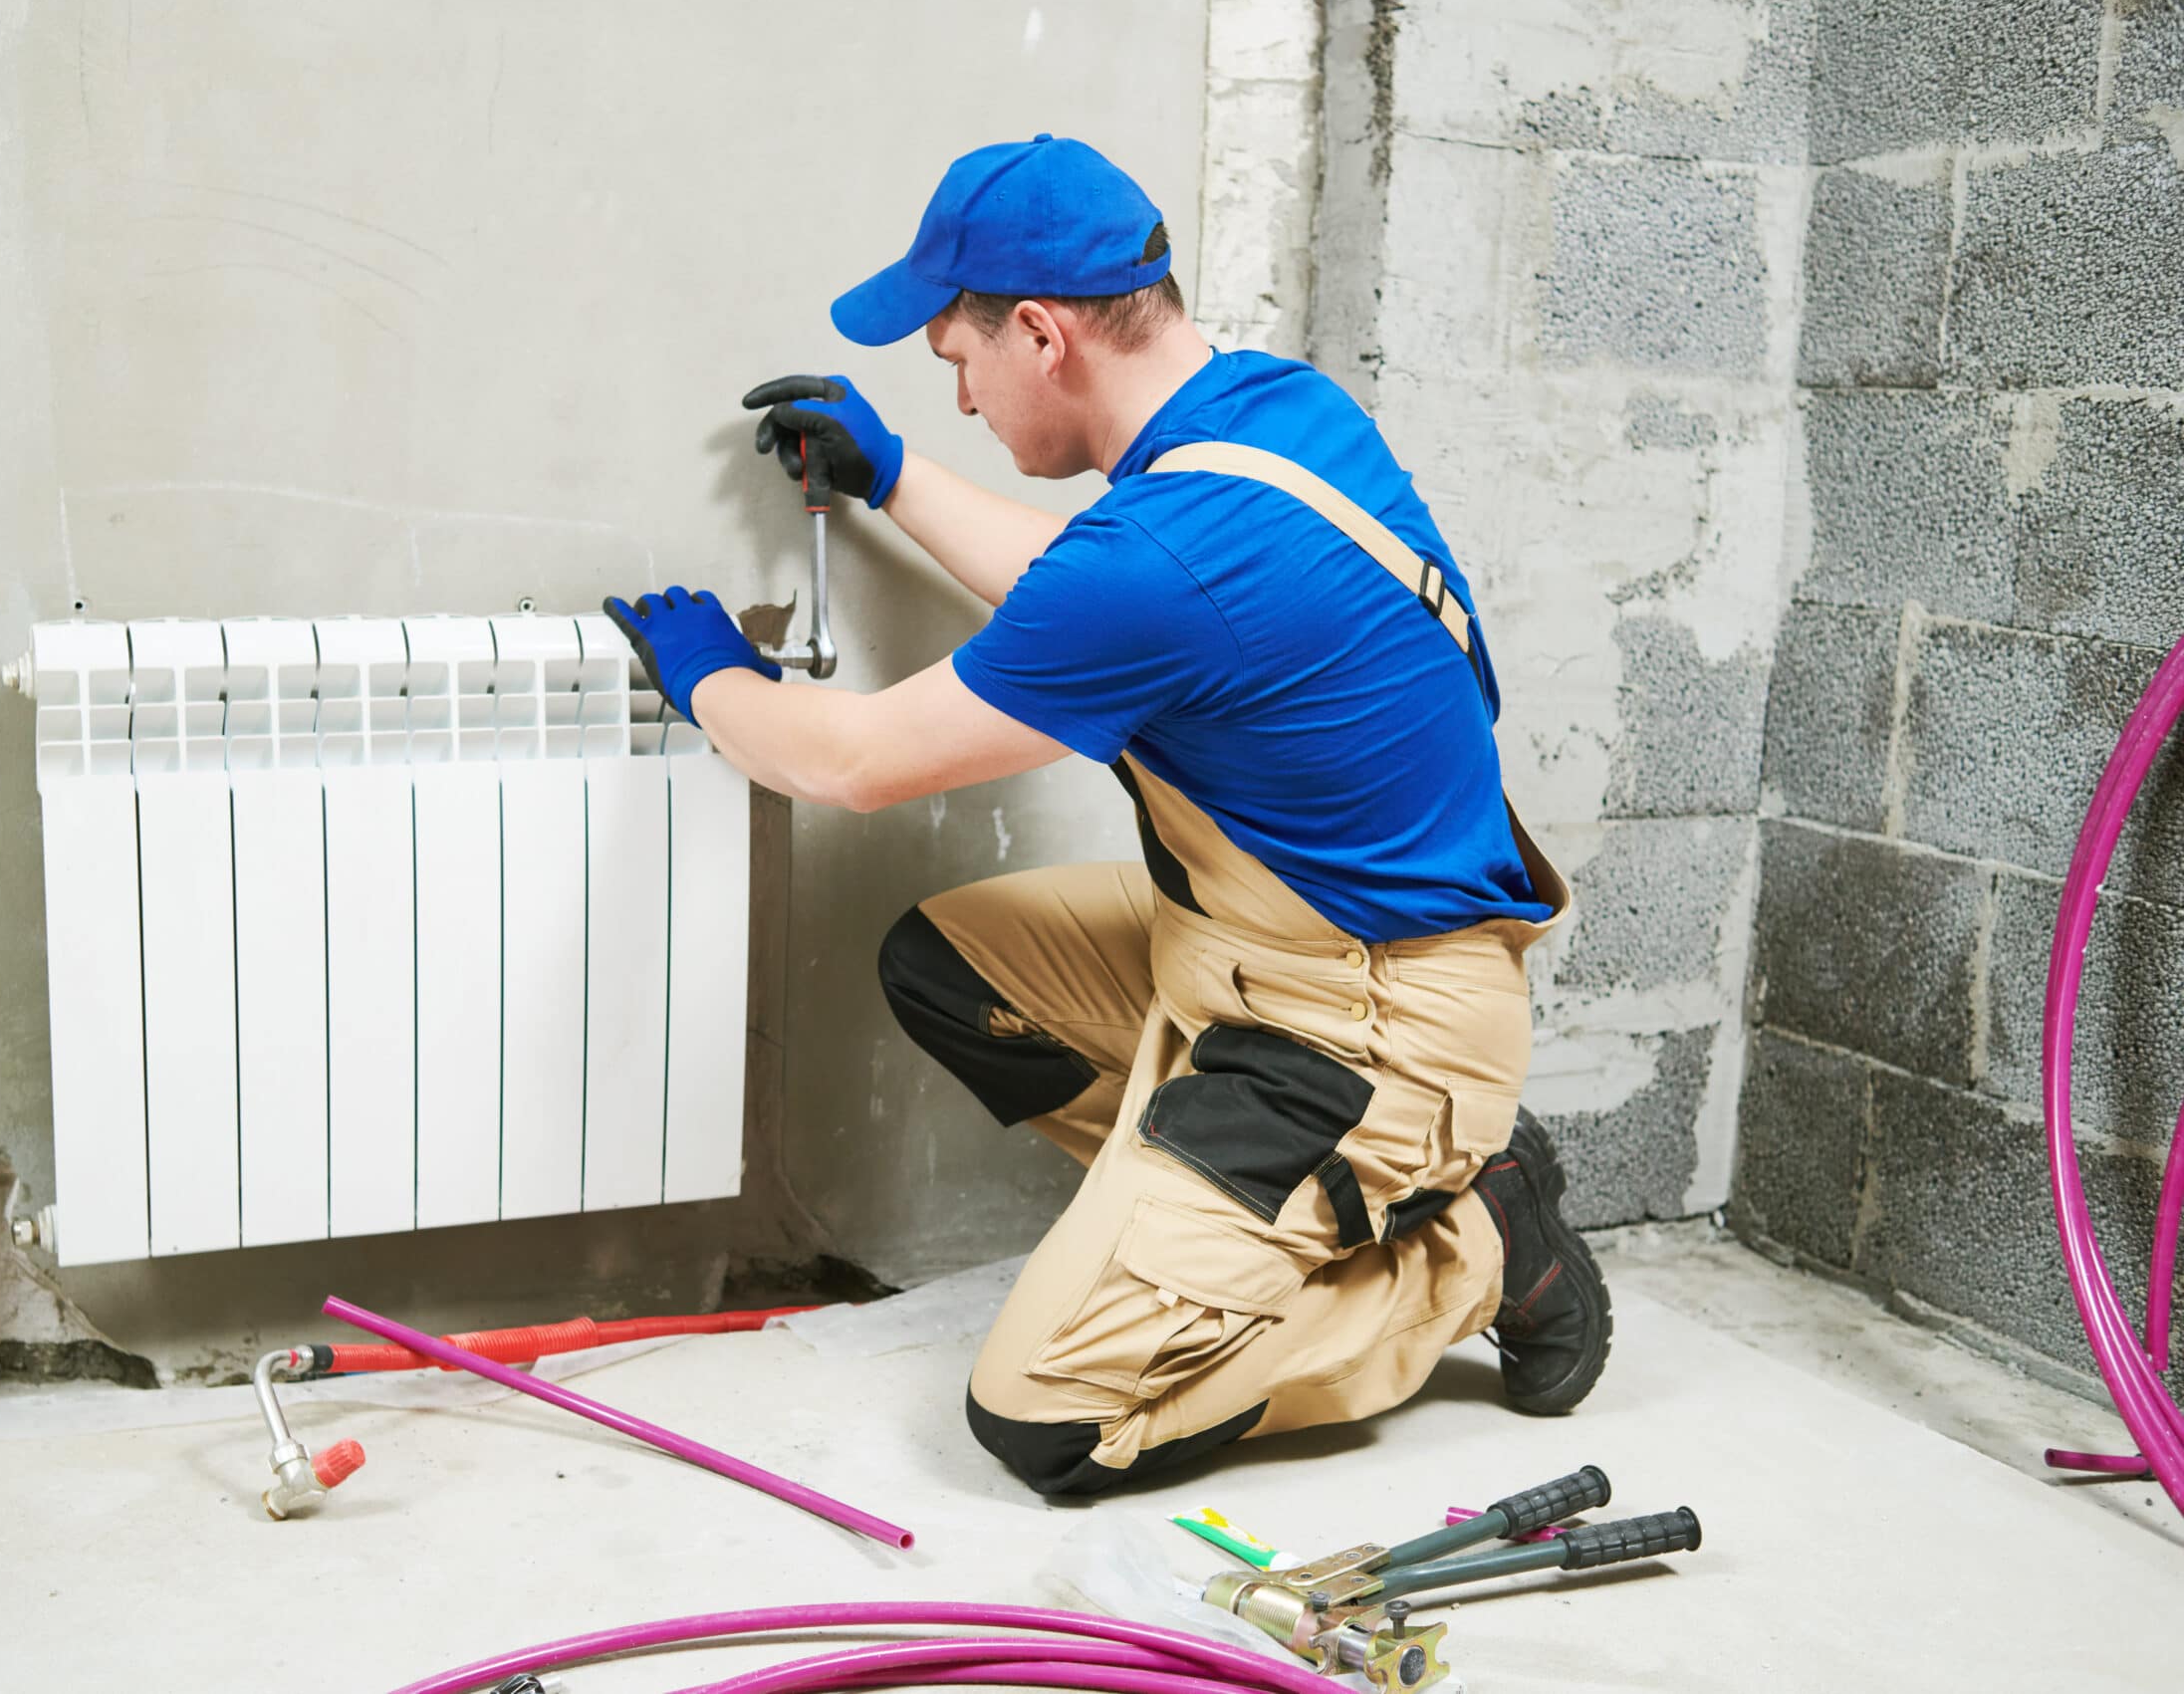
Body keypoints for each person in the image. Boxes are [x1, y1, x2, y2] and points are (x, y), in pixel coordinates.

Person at [604, 134, 1610, 1498]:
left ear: (1039, 334)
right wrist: (889, 473)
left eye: (955, 362)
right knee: (947, 967)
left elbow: (850, 762)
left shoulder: (1164, 562)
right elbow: (1097, 594)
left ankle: (1472, 1243)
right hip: (1263, 954)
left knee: (1046, 1420)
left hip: (1370, 1028)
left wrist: (709, 676)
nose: (956, 400)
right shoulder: (1271, 414)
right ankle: (1225, 1219)